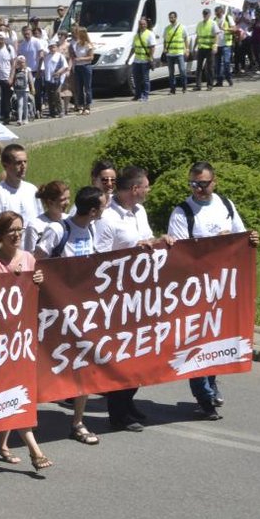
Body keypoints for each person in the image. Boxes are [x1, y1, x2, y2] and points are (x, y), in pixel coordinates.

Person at [167, 161, 260, 420]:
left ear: (214, 182)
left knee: (215, 338)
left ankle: (211, 382)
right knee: (197, 341)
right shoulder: (182, 212)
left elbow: (240, 237)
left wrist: (251, 239)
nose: (198, 189)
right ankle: (204, 397)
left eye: (203, 184)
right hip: (194, 291)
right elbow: (181, 255)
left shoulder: (225, 205)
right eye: (194, 184)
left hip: (223, 288)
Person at [95, 166, 173, 431]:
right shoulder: (107, 218)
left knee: (141, 353)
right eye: (146, 186)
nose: (149, 191)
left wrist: (159, 241)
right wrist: (132, 251)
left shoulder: (140, 211)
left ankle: (128, 401)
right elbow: (99, 257)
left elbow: (146, 238)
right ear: (134, 189)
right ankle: (117, 413)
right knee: (122, 355)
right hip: (118, 298)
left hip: (143, 296)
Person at [35, 186, 109, 444]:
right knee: (43, 364)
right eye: (102, 205)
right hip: (53, 312)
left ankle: (77, 422)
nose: (105, 208)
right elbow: (36, 263)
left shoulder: (90, 229)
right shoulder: (58, 230)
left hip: (82, 311)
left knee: (84, 363)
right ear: (92, 210)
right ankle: (23, 419)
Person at [0, 211, 51, 471]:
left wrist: (37, 282)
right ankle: (35, 450)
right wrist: (12, 280)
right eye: (11, 230)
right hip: (2, 341)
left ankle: (0, 443)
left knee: (17, 390)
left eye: (20, 229)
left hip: (25, 338)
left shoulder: (30, 258)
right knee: (15, 392)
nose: (17, 234)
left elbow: (36, 297)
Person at [0, 143, 42, 256]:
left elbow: (40, 221)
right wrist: (3, 259)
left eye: (25, 162)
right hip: (9, 259)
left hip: (33, 256)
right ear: (5, 165)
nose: (23, 166)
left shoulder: (32, 190)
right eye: (18, 163)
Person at [23, 180, 70, 253]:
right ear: (50, 202)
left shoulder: (69, 220)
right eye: (63, 200)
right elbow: (29, 256)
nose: (68, 203)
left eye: (68, 198)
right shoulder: (35, 226)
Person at [127, 18, 156, 101]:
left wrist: (150, 57)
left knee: (145, 79)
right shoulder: (136, 36)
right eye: (141, 24)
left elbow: (152, 47)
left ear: (146, 25)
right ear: (139, 25)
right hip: (137, 60)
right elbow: (133, 48)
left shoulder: (150, 34)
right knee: (136, 79)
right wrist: (128, 58)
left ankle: (145, 95)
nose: (142, 25)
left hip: (145, 60)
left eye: (144, 24)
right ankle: (138, 95)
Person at [163, 11, 189, 94]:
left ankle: (184, 87)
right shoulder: (167, 28)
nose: (171, 19)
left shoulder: (182, 27)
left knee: (182, 71)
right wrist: (164, 48)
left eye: (173, 17)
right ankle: (172, 89)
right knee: (171, 73)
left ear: (176, 17)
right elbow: (165, 40)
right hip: (170, 54)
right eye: (170, 17)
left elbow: (186, 38)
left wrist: (187, 49)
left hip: (179, 53)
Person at [194, 8, 220, 91]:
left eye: (206, 14)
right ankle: (198, 85)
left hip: (209, 48)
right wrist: (194, 47)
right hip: (201, 48)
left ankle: (210, 85)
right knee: (198, 68)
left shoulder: (213, 23)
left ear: (209, 14)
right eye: (204, 14)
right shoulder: (199, 24)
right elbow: (198, 36)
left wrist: (215, 46)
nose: (205, 15)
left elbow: (216, 35)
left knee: (209, 68)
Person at [41, 41, 69, 117]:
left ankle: (60, 111)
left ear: (56, 47)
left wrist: (58, 72)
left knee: (57, 94)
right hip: (48, 79)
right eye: (50, 47)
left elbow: (65, 67)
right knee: (50, 96)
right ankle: (52, 112)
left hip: (58, 79)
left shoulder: (60, 56)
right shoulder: (47, 57)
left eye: (54, 47)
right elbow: (44, 68)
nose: (52, 48)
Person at [214, 5, 236, 87]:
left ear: (222, 12)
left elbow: (234, 29)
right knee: (218, 64)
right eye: (216, 13)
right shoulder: (214, 20)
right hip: (218, 45)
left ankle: (228, 78)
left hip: (226, 44)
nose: (217, 15)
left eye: (218, 13)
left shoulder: (228, 18)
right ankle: (219, 81)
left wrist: (225, 29)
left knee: (226, 63)